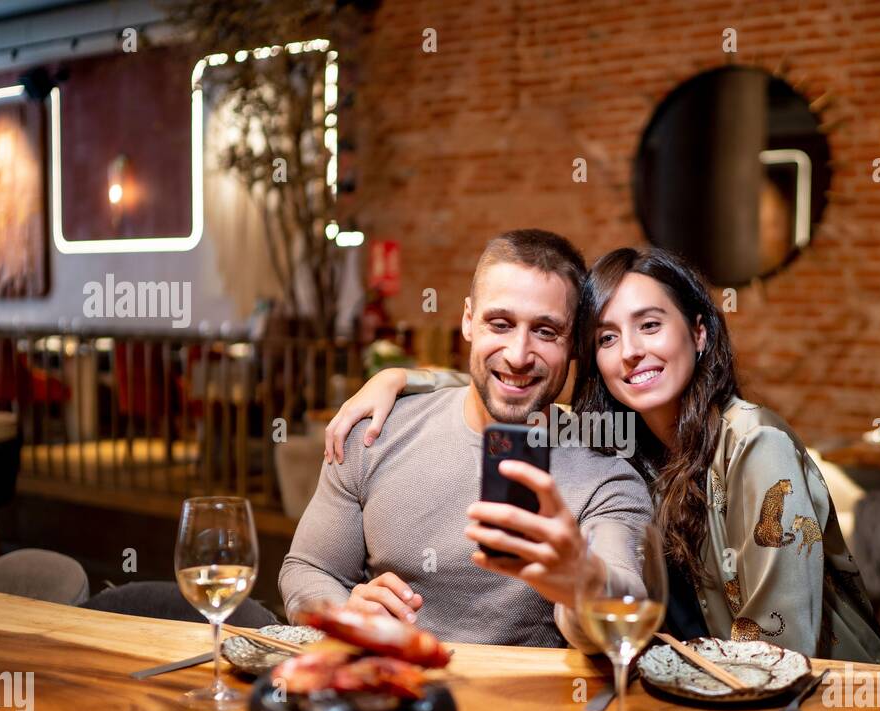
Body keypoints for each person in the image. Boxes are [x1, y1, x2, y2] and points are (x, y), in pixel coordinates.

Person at [324, 246, 880, 663]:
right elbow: (511, 383)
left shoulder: (753, 445)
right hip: (700, 688)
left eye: (649, 325)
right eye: (609, 337)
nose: (632, 353)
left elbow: (780, 650)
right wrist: (403, 378)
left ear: (698, 333)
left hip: (817, 699)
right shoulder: (625, 437)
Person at [280, 230, 653, 649]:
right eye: (500, 324)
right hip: (391, 693)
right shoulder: (375, 431)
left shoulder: (607, 477)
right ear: (467, 320)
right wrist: (345, 611)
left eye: (546, 331)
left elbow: (623, 615)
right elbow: (307, 568)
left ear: (574, 346)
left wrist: (580, 579)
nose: (517, 354)